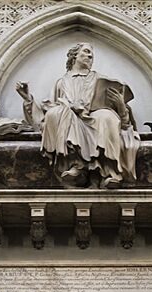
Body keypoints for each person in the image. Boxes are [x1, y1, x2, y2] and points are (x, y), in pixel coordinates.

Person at [16, 43, 140, 187]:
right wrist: (28, 99)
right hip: (69, 117)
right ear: (74, 55)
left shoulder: (99, 79)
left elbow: (124, 120)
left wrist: (120, 104)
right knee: (57, 113)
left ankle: (111, 172)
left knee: (107, 117)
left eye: (91, 55)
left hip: (95, 117)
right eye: (86, 52)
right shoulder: (62, 83)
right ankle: (76, 165)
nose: (90, 56)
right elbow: (45, 114)